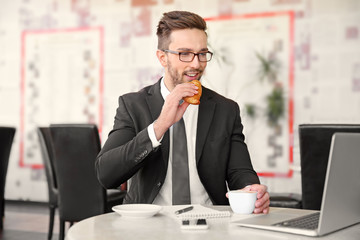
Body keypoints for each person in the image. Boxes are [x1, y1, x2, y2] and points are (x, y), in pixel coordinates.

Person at [95, 10, 270, 214]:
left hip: (210, 222)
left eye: (202, 53)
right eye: (184, 53)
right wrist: (159, 126)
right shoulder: (133, 105)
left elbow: (240, 171)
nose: (196, 64)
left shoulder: (226, 109)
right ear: (163, 58)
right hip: (149, 225)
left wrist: (252, 189)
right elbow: (106, 175)